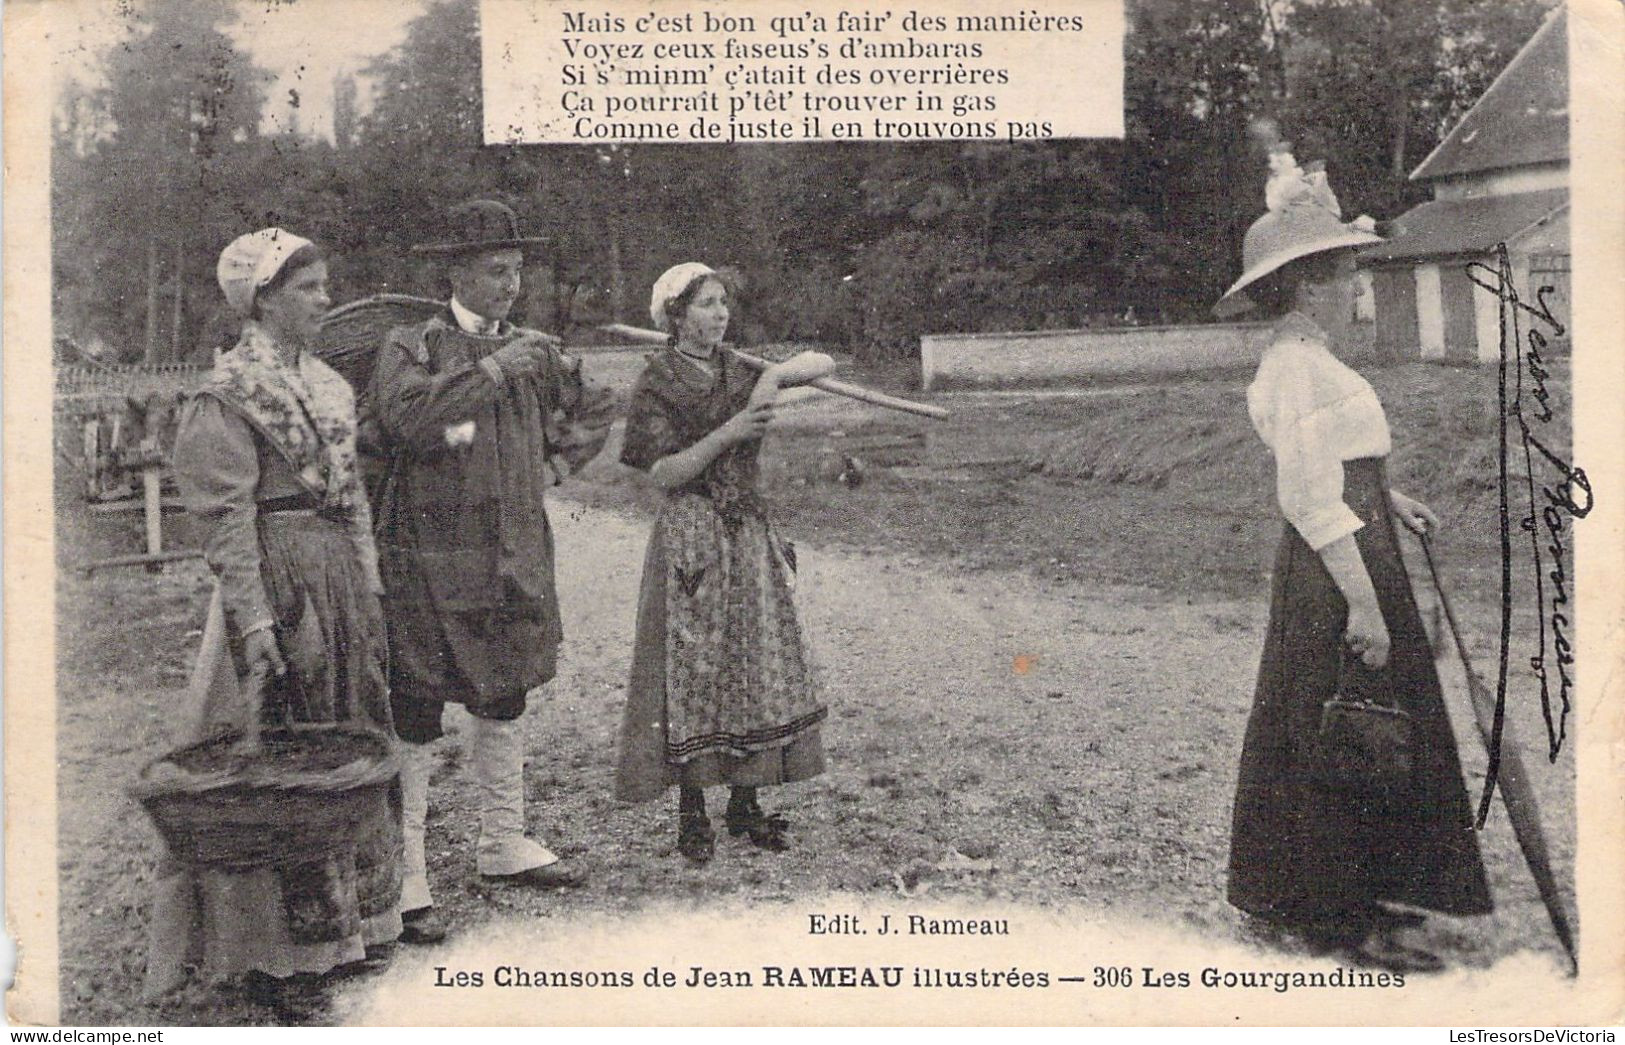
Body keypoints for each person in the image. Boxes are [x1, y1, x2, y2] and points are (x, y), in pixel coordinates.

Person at [1217, 155, 1492, 972]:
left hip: (1358, 538)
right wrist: (1364, 606)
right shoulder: (1298, 367)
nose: (1359, 288)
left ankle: (1365, 895)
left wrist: (1389, 493)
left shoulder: (1306, 360)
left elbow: (1336, 463)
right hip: (1335, 564)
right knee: (1348, 726)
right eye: (1346, 273)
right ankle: (1333, 916)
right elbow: (1306, 493)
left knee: (1373, 720)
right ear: (1307, 287)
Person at [149, 229, 401, 1017]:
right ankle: (271, 954)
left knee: (342, 740)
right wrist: (257, 622)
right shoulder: (227, 393)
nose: (326, 300)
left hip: (330, 570)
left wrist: (369, 590)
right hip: (273, 574)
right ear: (263, 300)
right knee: (276, 749)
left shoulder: (328, 385)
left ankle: (344, 931)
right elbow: (224, 521)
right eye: (310, 289)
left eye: (326, 286)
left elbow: (352, 495)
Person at [368, 199, 615, 943]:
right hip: (430, 553)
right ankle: (406, 873)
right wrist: (495, 371)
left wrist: (557, 457)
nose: (509, 285)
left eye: (515, 271)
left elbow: (594, 406)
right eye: (493, 271)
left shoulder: (537, 348)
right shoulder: (409, 345)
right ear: (455, 273)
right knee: (417, 701)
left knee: (504, 690)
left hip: (510, 547)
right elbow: (408, 423)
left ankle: (502, 841)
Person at [614, 263, 836, 862]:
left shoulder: (742, 370)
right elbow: (662, 473)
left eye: (722, 304)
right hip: (692, 532)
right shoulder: (657, 382)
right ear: (676, 315)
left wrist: (775, 379)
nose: (719, 315)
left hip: (746, 531)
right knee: (694, 669)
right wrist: (732, 429)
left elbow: (824, 364)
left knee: (752, 661)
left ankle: (745, 804)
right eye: (706, 305)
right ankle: (692, 812)